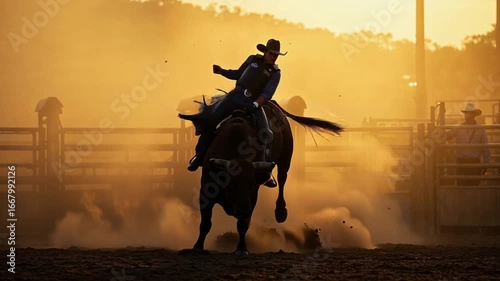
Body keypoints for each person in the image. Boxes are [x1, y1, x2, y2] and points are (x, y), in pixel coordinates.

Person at [187, 39, 287, 176]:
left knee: (266, 132)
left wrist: (255, 104)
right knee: (210, 119)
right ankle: (200, 156)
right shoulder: (252, 59)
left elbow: (267, 93)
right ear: (265, 52)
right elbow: (238, 73)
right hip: (234, 96)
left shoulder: (275, 73)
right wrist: (222, 71)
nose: (273, 57)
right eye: (271, 53)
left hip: (253, 101)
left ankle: (264, 170)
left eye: (276, 55)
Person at [446, 103, 490, 186]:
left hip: (470, 162)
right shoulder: (461, 128)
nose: (466, 115)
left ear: (473, 115)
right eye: (466, 113)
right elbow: (448, 135)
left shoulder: (478, 129)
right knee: (465, 186)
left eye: (468, 113)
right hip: (464, 162)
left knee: (470, 186)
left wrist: (486, 164)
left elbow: (485, 148)